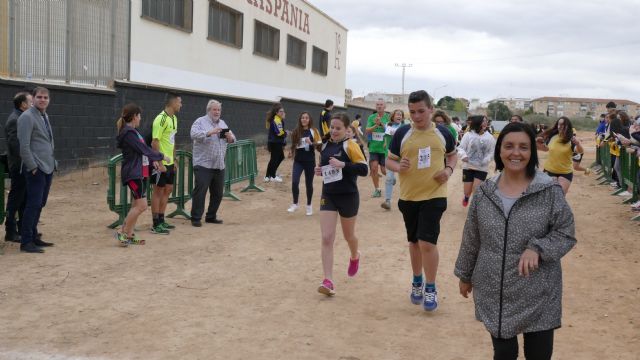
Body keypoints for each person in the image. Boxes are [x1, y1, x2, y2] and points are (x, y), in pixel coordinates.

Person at [455, 122, 576, 360]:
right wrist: (465, 274)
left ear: (532, 152)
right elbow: (472, 237)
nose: (516, 153)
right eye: (509, 146)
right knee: (504, 354)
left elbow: (566, 232)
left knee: (538, 355)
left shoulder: (549, 191)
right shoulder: (484, 193)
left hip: (539, 290)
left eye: (524, 147)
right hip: (495, 289)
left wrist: (538, 248)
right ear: (500, 150)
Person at [386, 90, 457, 311]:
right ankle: (417, 280)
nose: (416, 116)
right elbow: (389, 161)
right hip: (409, 196)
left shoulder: (444, 133)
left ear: (431, 109)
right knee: (414, 242)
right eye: (412, 112)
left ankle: (431, 287)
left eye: (421, 111)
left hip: (435, 194)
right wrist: (399, 167)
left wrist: (448, 169)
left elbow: (453, 155)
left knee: (427, 242)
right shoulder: (402, 134)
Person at [315, 113, 368, 296]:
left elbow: (364, 169)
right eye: (332, 127)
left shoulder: (351, 146)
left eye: (338, 128)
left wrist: (343, 164)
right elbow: (325, 168)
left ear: (347, 130)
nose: (334, 131)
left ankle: (355, 256)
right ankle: (328, 280)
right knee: (327, 237)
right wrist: (320, 170)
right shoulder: (325, 146)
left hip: (348, 196)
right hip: (328, 195)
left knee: (349, 236)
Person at [115, 103, 168, 246]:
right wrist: (160, 156)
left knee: (136, 205)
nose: (140, 119)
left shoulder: (134, 132)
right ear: (134, 117)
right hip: (133, 173)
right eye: (139, 116)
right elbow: (144, 149)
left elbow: (142, 152)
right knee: (142, 206)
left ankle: (129, 234)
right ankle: (122, 232)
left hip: (139, 172)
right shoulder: (129, 133)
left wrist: (153, 162)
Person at [16, 87, 56, 253]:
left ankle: (33, 237)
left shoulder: (44, 115)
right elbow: (24, 146)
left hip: (47, 167)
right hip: (36, 168)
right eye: (39, 97)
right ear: (32, 99)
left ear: (49, 100)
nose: (42, 100)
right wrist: (33, 167)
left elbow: (46, 141)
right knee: (32, 204)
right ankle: (26, 242)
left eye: (45, 97)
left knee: (39, 203)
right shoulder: (27, 117)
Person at [190, 100, 236, 227]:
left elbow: (233, 138)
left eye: (218, 110)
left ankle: (211, 216)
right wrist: (209, 133)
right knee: (200, 191)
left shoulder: (222, 123)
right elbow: (193, 134)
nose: (217, 112)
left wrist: (230, 138)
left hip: (219, 164)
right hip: (203, 164)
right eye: (214, 109)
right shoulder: (200, 121)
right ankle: (196, 218)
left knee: (218, 193)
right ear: (208, 110)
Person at [150, 92, 182, 235]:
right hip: (160, 163)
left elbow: (172, 140)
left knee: (168, 189)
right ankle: (155, 224)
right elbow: (154, 142)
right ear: (173, 103)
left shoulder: (174, 118)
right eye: (179, 102)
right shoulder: (160, 119)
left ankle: (162, 220)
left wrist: (174, 159)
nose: (181, 105)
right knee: (158, 191)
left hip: (169, 162)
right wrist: (158, 161)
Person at [4, 91, 32, 243]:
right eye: (30, 102)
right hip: (19, 167)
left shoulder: (21, 118)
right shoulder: (16, 119)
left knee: (25, 198)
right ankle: (10, 231)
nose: (33, 104)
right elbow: (17, 147)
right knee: (16, 198)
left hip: (24, 166)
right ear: (23, 105)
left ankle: (23, 229)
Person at [536, 117, 583, 194]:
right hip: (549, 170)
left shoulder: (571, 139)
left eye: (563, 124)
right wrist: (536, 143)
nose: (560, 126)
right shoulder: (552, 137)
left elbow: (580, 151)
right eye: (559, 124)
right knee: (549, 195)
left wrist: (578, 144)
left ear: (567, 126)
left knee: (559, 196)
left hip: (565, 172)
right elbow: (546, 149)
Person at [287, 112, 321, 216]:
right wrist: (291, 152)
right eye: (302, 118)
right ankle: (295, 203)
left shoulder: (314, 131)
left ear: (309, 119)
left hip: (309, 161)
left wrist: (311, 143)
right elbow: (293, 144)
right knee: (294, 181)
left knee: (308, 184)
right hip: (298, 161)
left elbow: (320, 146)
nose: (304, 119)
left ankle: (309, 205)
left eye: (306, 118)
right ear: (300, 119)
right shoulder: (296, 131)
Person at [458, 115, 496, 207]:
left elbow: (491, 152)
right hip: (468, 166)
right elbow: (461, 148)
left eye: (486, 121)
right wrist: (463, 156)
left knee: (477, 189)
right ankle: (466, 197)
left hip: (481, 167)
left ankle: (475, 207)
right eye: (483, 121)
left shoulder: (490, 137)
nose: (485, 123)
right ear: (477, 122)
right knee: (467, 191)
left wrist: (486, 160)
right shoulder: (468, 135)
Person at [365, 99, 390, 197]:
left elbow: (390, 131)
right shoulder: (371, 117)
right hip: (373, 148)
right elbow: (367, 131)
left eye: (381, 104)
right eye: (377, 104)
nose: (379, 106)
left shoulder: (388, 117)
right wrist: (375, 125)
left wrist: (381, 124)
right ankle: (377, 189)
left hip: (384, 148)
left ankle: (391, 178)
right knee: (374, 168)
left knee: (384, 171)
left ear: (385, 106)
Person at [381, 109, 405, 210]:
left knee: (404, 178)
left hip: (403, 156)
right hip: (390, 155)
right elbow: (386, 136)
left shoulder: (405, 127)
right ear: (393, 116)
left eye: (401, 115)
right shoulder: (388, 125)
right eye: (397, 114)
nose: (399, 116)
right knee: (389, 178)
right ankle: (387, 201)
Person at [265, 103, 287, 183]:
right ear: (276, 112)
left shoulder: (277, 119)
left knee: (278, 158)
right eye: (281, 111)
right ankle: (272, 176)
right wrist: (286, 133)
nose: (283, 113)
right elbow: (279, 133)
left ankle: (268, 175)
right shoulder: (276, 119)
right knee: (275, 159)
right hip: (275, 143)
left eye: (283, 111)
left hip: (274, 142)